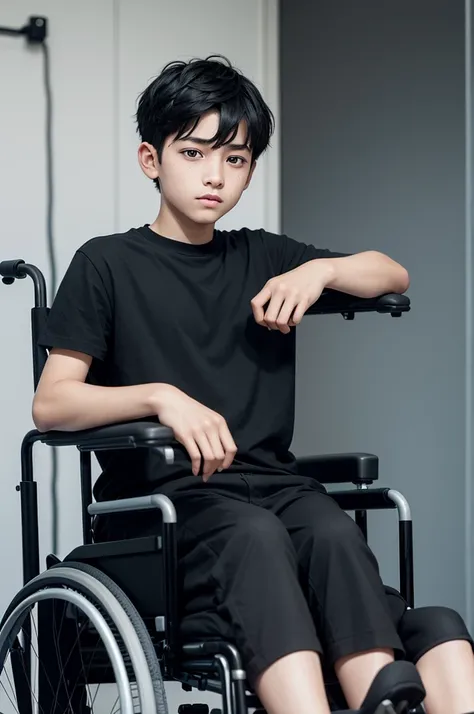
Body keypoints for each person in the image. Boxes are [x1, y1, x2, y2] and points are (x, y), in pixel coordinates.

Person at [33, 55, 474, 714]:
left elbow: (392, 273)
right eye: (194, 152)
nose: (215, 175)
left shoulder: (263, 256)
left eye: (235, 159)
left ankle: (379, 697)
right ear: (151, 159)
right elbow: (52, 401)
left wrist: (319, 274)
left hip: (275, 488)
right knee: (257, 537)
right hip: (169, 507)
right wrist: (160, 396)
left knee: (332, 532)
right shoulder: (107, 263)